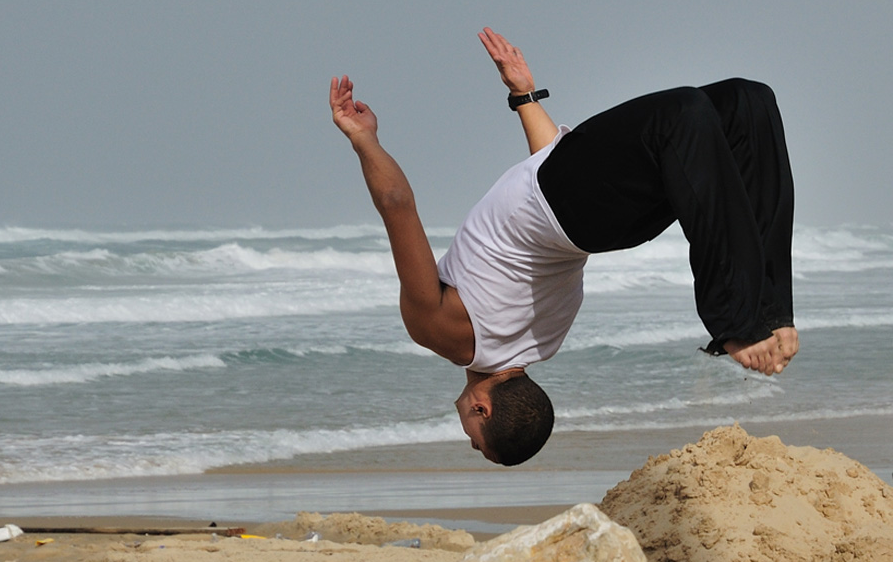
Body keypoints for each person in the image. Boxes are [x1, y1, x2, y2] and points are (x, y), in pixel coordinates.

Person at [329, 27, 798, 466]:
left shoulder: (545, 341)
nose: (466, 432)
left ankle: (774, 315)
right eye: (473, 439)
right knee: (685, 113)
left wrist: (524, 96)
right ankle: (741, 321)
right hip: (579, 206)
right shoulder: (440, 332)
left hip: (612, 222)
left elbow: (550, 167)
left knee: (746, 102)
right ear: (482, 411)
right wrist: (364, 140)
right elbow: (397, 204)